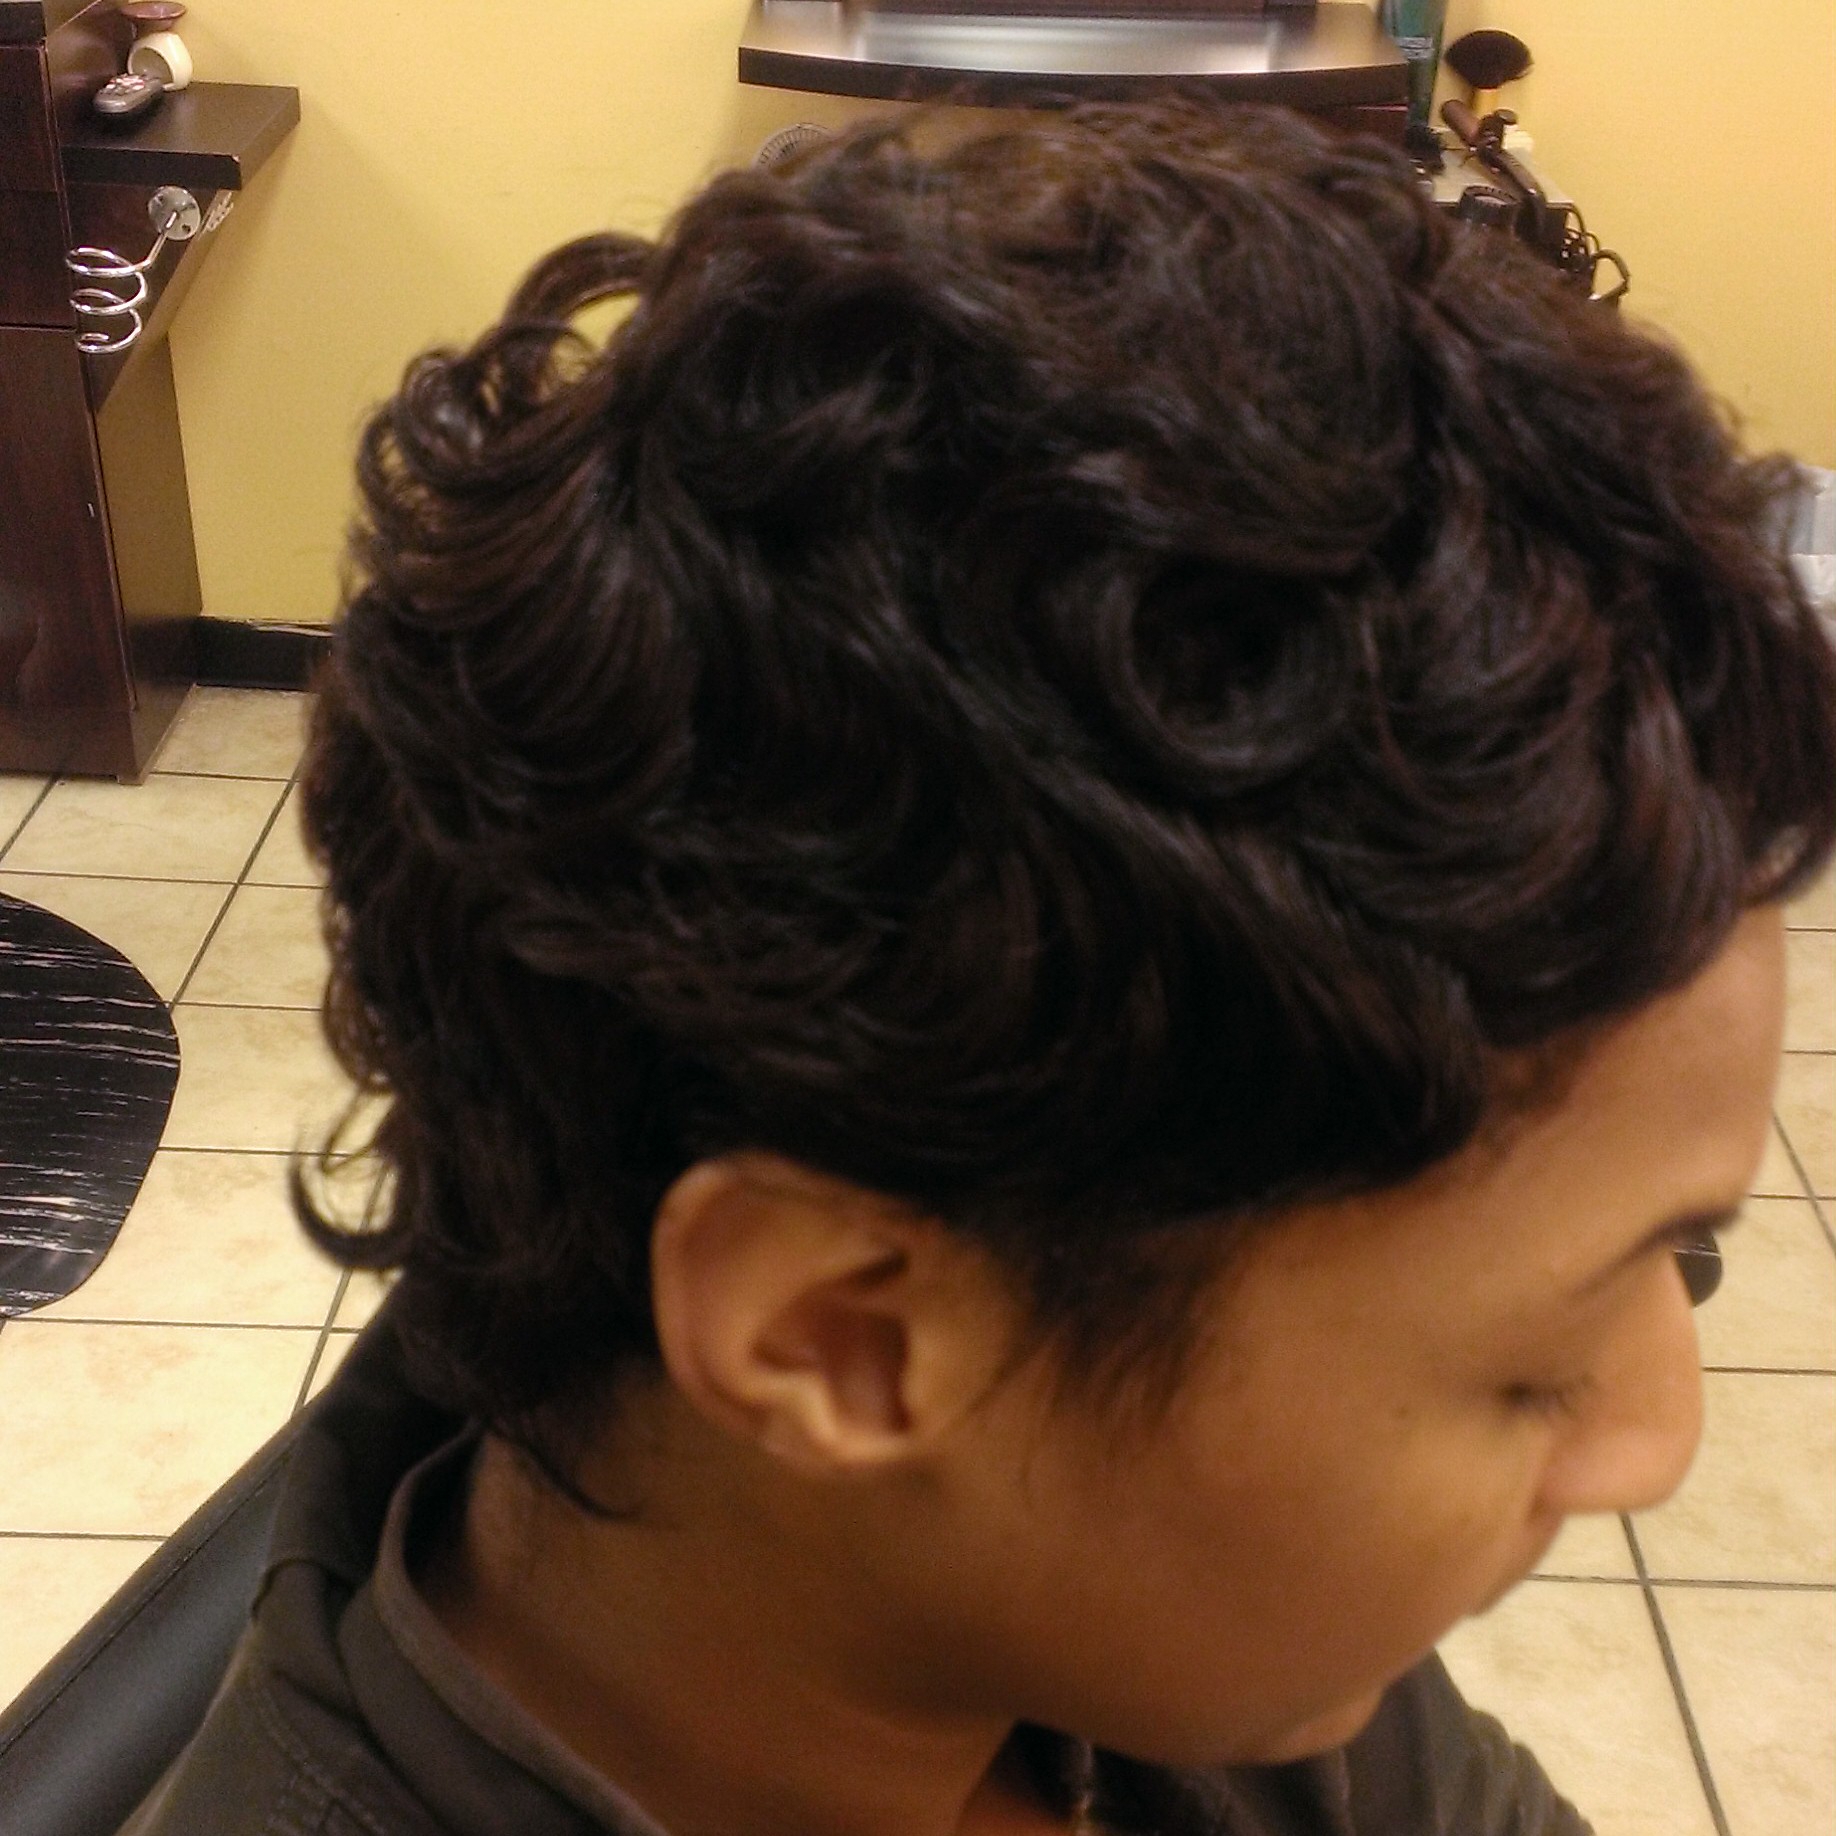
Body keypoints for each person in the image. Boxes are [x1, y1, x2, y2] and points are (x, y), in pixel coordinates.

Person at [125, 102, 1836, 1836]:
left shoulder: (1176, 1619)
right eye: (1532, 1369)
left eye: (1677, 1261)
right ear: (847, 1338)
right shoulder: (1185, 1574)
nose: (1657, 1443)